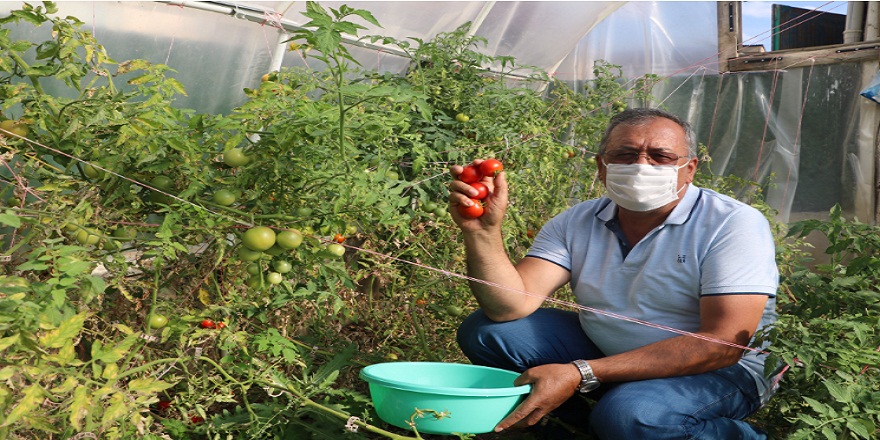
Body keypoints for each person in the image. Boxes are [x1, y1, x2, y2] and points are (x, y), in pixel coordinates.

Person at [448, 108, 779, 439]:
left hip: (722, 371)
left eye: (660, 156)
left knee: (632, 415)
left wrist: (581, 372)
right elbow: (509, 306)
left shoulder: (731, 223)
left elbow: (723, 344)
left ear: (689, 169)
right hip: (611, 353)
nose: (641, 166)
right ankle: (576, 427)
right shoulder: (575, 222)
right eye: (625, 154)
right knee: (488, 331)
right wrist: (482, 232)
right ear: (601, 166)